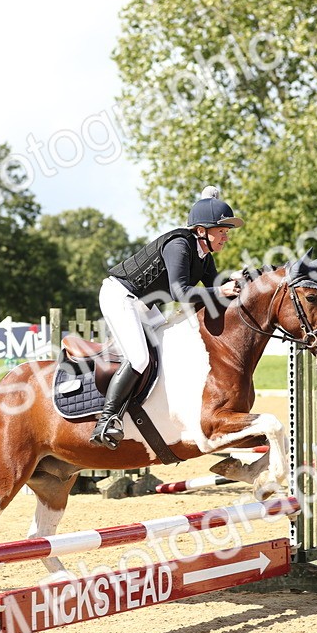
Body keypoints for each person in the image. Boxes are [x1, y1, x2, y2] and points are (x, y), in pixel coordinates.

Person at [91, 186, 242, 449]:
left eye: (226, 232)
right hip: (120, 296)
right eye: (222, 231)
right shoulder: (179, 245)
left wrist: (238, 280)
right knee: (139, 358)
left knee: (169, 349)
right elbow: (180, 292)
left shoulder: (204, 255)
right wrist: (221, 289)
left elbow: (215, 288)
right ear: (201, 231)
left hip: (145, 304)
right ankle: (107, 420)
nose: (226, 237)